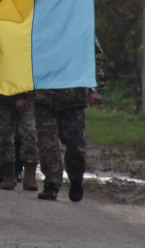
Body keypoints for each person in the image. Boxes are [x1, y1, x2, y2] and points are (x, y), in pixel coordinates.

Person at [35, 39, 104, 202]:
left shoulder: (79, 23)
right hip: (44, 94)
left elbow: (95, 56)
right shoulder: (41, 24)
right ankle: (51, 183)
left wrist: (96, 87)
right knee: (47, 144)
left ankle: (76, 178)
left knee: (76, 146)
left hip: (73, 95)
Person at [0, 0, 39, 192]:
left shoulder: (25, 23)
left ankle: (29, 174)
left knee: (29, 133)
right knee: (4, 136)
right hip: (0, 90)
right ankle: (8, 173)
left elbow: (27, 59)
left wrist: (23, 94)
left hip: (24, 90)